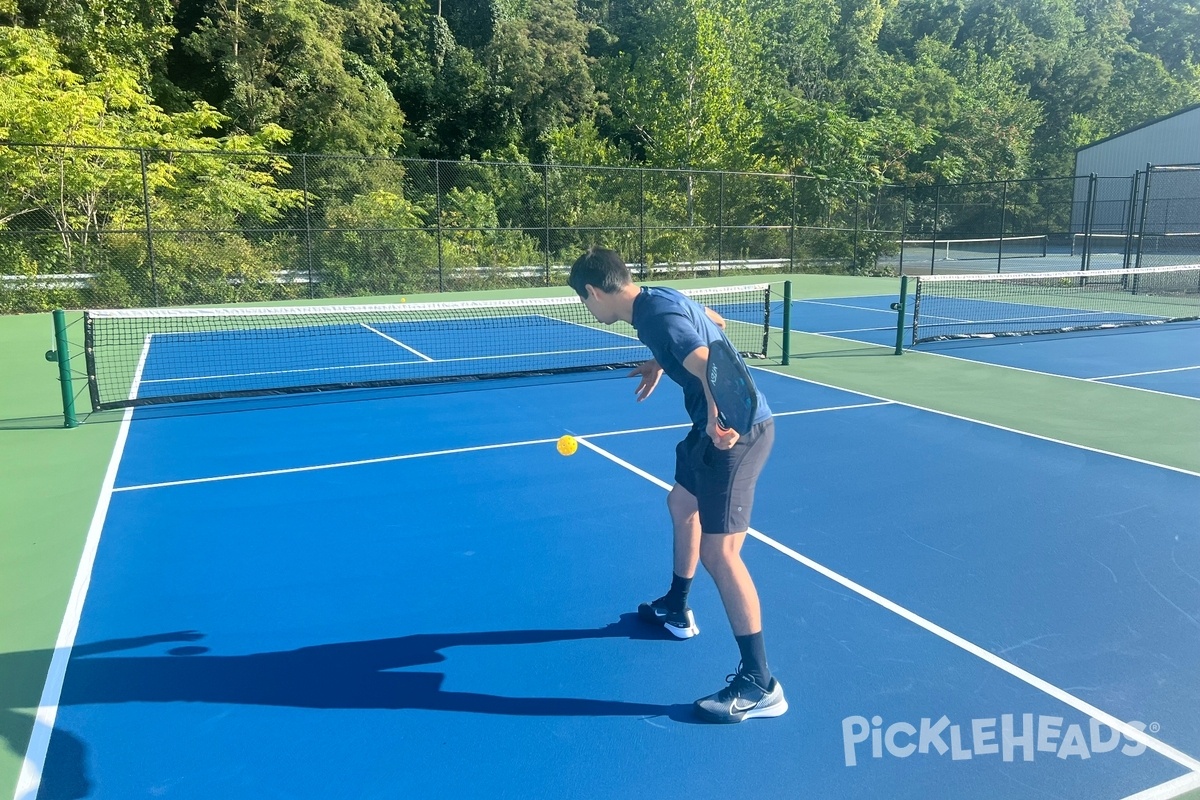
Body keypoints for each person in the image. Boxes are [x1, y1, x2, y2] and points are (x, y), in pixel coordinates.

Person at [568, 246, 786, 724]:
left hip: (737, 433)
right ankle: (677, 608)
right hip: (716, 426)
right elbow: (715, 321)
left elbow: (707, 354)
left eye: (585, 302)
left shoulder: (655, 317)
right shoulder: (657, 299)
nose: (588, 309)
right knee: (680, 503)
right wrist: (663, 362)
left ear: (593, 292)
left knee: (721, 554)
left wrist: (715, 416)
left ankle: (760, 683)